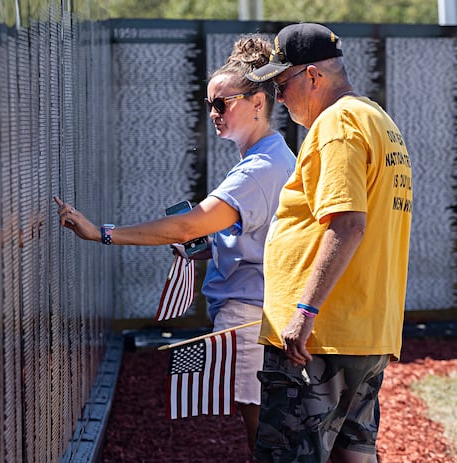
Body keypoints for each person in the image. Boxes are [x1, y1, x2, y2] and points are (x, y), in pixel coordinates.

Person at [55, 35, 296, 458]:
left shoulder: (260, 168)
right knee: (263, 423)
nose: (213, 113)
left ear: (258, 102)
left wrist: (103, 233)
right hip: (255, 307)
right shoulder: (266, 157)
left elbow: (187, 225)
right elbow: (259, 239)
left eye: (222, 103)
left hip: (252, 312)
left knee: (263, 429)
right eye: (209, 104)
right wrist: (209, 250)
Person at [245, 23, 413, 463]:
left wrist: (304, 311)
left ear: (313, 76)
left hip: (319, 339)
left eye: (282, 84)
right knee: (354, 454)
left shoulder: (336, 124)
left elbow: (348, 224)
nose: (278, 99)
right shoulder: (377, 119)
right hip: (363, 332)